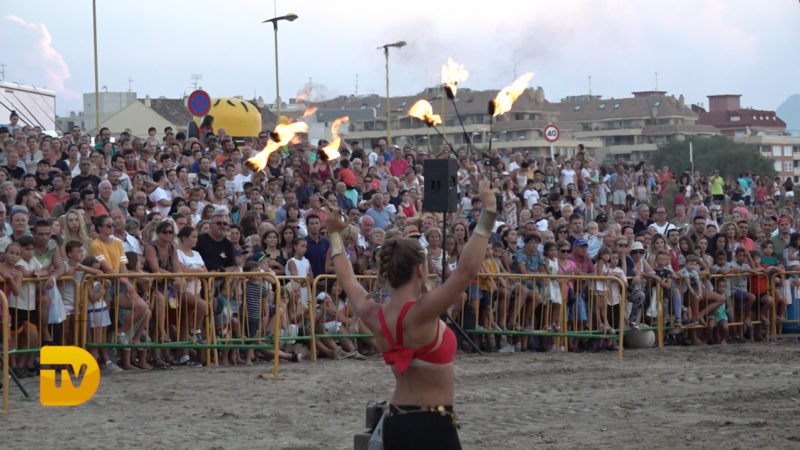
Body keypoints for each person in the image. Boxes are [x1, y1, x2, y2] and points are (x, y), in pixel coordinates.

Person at [326, 178, 496, 449]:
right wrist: (488, 214)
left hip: (396, 421)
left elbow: (348, 280)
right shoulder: (421, 312)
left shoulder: (375, 314)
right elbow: (466, 271)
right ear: (420, 269)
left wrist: (334, 233)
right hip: (432, 424)